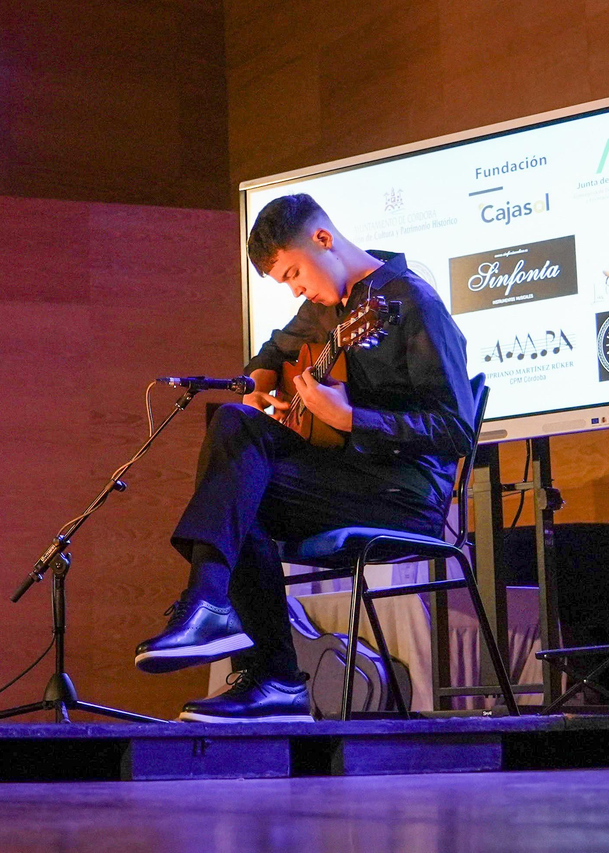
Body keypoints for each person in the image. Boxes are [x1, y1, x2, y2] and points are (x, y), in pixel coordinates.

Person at [134, 194, 478, 722]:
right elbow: (270, 354)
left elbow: (456, 431)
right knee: (233, 426)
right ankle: (254, 658)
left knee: (240, 489)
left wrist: (351, 419)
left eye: (295, 273)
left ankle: (253, 654)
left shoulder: (415, 305)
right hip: (346, 480)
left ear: (323, 240)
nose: (296, 288)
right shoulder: (321, 308)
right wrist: (257, 384)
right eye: (286, 283)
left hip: (404, 495)